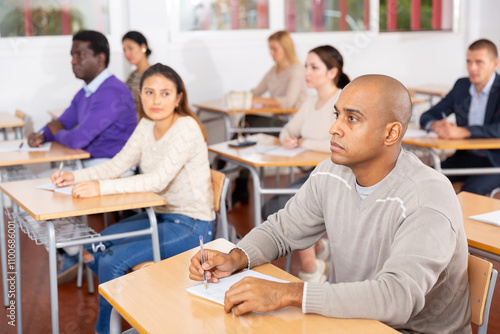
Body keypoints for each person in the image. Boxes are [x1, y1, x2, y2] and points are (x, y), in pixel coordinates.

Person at [190, 75, 471, 333]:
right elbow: (281, 230)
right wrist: (237, 258)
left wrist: (289, 293)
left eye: (352, 119)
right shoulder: (331, 172)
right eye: (338, 114)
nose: (333, 128)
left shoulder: (427, 196)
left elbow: (396, 298)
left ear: (391, 134)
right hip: (356, 322)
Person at [52, 63, 215, 334]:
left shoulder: (186, 127)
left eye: (165, 93)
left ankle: (107, 328)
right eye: (149, 92)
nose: (156, 100)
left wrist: (99, 188)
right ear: (140, 94)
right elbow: (117, 164)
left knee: (112, 261)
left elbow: (158, 180)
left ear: (178, 98)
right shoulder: (146, 125)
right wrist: (78, 177)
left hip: (193, 224)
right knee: (95, 247)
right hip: (160, 215)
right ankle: (146, 312)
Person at [263, 45, 350, 283]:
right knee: (272, 207)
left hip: (340, 177)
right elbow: (287, 129)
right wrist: (288, 139)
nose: (307, 72)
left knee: (293, 207)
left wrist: (305, 141)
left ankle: (311, 269)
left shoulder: (343, 100)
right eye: (306, 67)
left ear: (332, 72)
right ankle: (319, 247)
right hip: (316, 173)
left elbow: (343, 140)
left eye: (314, 67)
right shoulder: (310, 102)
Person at [27, 30, 137, 168]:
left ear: (100, 58)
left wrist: (57, 132)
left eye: (80, 55)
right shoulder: (85, 91)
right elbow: (62, 122)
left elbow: (77, 140)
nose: (73, 61)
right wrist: (41, 135)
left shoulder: (112, 92)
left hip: (113, 168)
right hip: (90, 165)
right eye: (72, 55)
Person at [231, 30, 307, 204]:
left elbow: (288, 102)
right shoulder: (274, 71)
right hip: (277, 122)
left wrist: (259, 100)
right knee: (248, 126)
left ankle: (230, 172)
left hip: (291, 126)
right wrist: (240, 96)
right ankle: (240, 185)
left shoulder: (296, 71)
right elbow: (256, 92)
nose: (271, 53)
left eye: (275, 49)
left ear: (286, 49)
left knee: (248, 124)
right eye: (270, 49)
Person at [419, 38, 500, 195]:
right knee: (424, 180)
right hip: (465, 157)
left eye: (479, 62)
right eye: (469, 62)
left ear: (494, 63)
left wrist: (465, 131)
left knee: (468, 193)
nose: (472, 68)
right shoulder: (462, 86)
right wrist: (436, 125)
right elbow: (427, 115)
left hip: (494, 162)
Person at [122, 30, 152, 117]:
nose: (127, 54)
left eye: (130, 48)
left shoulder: (153, 74)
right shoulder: (133, 75)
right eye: (124, 50)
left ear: (143, 47)